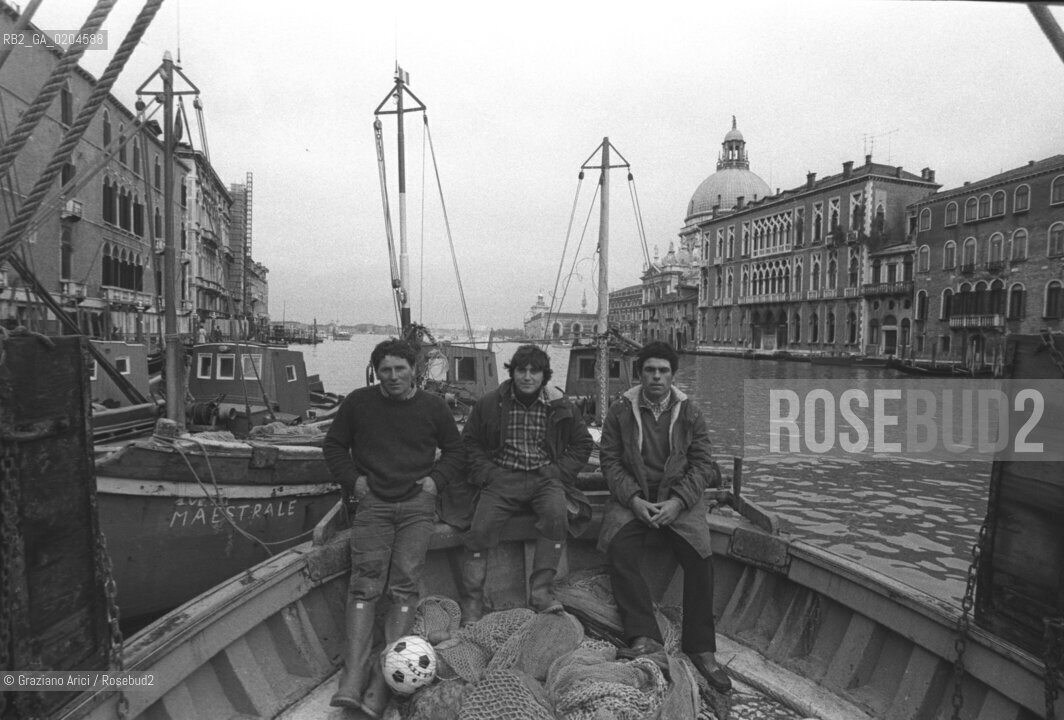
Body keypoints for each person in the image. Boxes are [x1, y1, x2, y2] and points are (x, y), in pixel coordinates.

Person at [322, 338, 464, 717]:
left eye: (400, 368)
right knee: (364, 585)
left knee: (403, 585)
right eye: (385, 369)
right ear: (376, 372)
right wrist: (356, 482)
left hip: (418, 504)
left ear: (413, 370)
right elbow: (334, 446)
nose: (393, 376)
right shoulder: (358, 403)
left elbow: (455, 450)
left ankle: (384, 680)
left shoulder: (433, 407)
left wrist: (436, 481)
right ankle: (352, 678)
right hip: (373, 503)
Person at [597, 340, 732, 693]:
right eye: (650, 370)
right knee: (620, 551)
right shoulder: (620, 411)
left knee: (701, 557)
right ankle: (645, 637)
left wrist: (677, 502)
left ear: (673, 375)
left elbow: (703, 465)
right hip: (634, 498)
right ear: (639, 373)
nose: (657, 377)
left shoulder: (691, 412)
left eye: (664, 371)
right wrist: (635, 500)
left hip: (678, 500)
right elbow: (609, 462)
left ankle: (701, 647)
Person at [460, 344, 593, 623]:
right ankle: (473, 600)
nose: (527, 377)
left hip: (544, 479)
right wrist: (487, 473)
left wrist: (557, 472)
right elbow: (469, 442)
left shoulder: (560, 405)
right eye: (522, 370)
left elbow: (582, 443)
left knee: (557, 516)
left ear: (544, 375)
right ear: (513, 372)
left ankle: (541, 592)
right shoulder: (490, 402)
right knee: (480, 528)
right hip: (502, 477)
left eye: (535, 371)